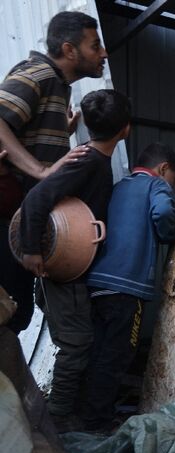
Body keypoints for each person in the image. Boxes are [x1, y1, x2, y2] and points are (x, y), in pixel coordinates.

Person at [17, 89, 131, 432]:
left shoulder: (90, 158)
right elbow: (37, 199)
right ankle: (59, 422)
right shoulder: (87, 162)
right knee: (77, 344)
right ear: (126, 128)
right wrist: (30, 250)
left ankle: (63, 413)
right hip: (63, 273)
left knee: (79, 341)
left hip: (72, 270)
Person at [0, 11, 107, 333]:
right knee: (9, 312)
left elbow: (27, 131)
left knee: (15, 314)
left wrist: (64, 131)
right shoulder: (40, 73)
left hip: (20, 217)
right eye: (95, 45)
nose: (103, 53)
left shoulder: (59, 87)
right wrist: (38, 170)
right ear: (69, 50)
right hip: (7, 214)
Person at [80, 143, 175, 432]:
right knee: (119, 354)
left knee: (99, 350)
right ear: (162, 170)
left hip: (98, 283)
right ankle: (98, 421)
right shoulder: (155, 186)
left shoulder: (119, 186)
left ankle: (87, 411)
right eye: (173, 179)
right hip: (127, 289)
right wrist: (168, 234)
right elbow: (162, 214)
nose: (171, 186)